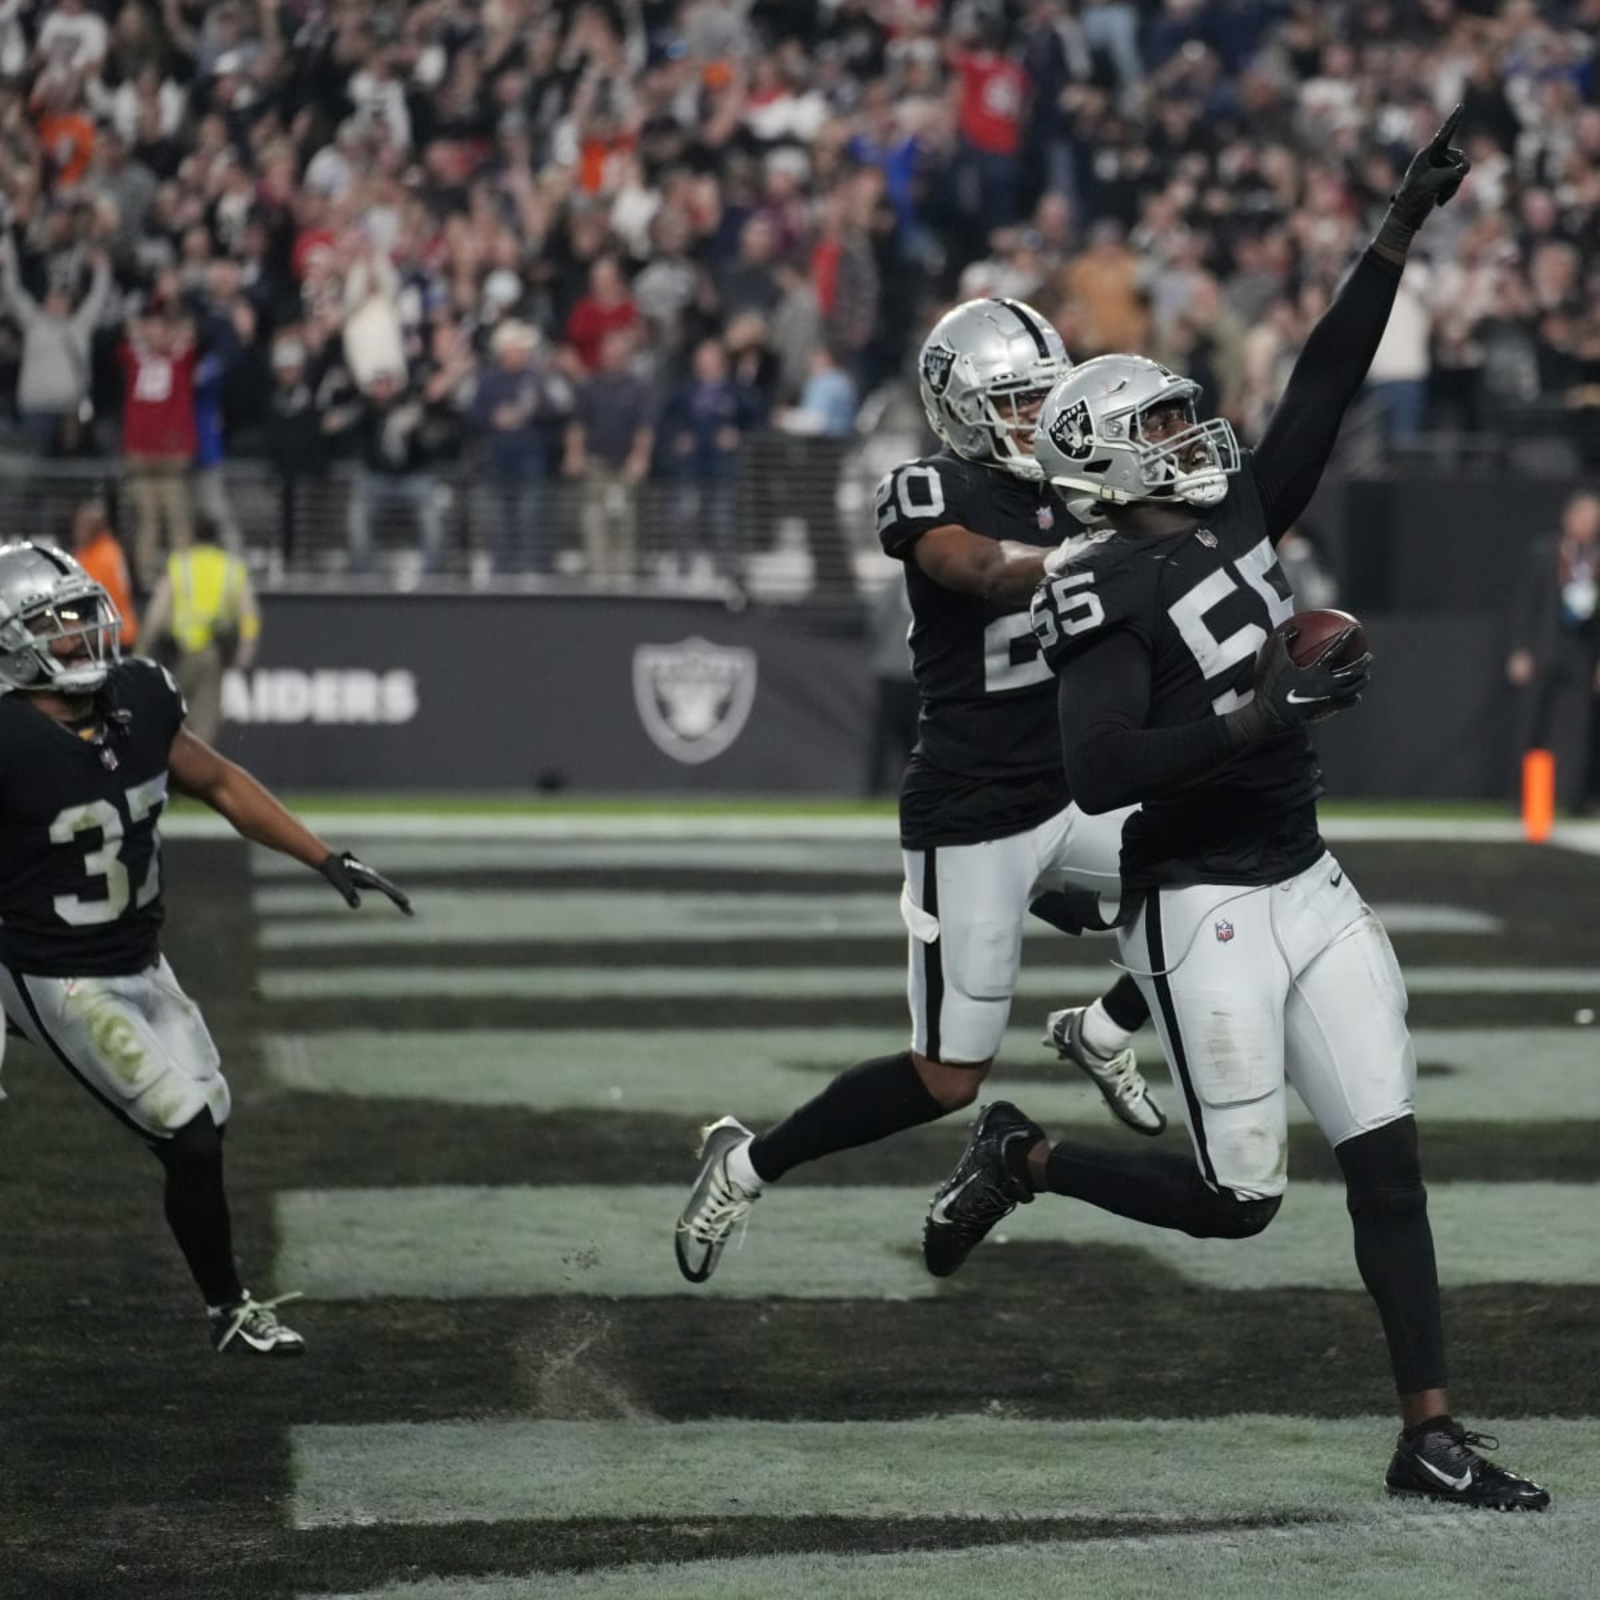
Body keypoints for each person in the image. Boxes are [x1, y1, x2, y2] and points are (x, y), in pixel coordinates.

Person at [926, 112, 1550, 1511]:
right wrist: (1270, 714)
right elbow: (1101, 772)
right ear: (1102, 458)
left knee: (1388, 1158)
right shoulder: (1096, 588)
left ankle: (1428, 1431)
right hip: (1197, 898)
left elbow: (1326, 377)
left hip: (1306, 876)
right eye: (1154, 423)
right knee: (1240, 1200)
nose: (1187, 432)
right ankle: (1023, 1152)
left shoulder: (1239, 512)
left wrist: (1399, 224)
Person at [675, 297, 1166, 1287]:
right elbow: (978, 570)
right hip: (972, 809)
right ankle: (745, 1163)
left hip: (1070, 790)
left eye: (1046, 399)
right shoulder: (927, 487)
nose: (1040, 419)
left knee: (1214, 865)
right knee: (947, 1076)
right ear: (964, 411)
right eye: (1019, 403)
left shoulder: (1086, 487)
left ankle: (1105, 1028)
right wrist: (1101, 559)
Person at [0, 541, 411, 1355]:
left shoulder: (140, 696)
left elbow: (219, 781)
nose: (84, 634)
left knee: (207, 1125)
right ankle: (230, 1310)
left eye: (85, 616)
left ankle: (225, 1305)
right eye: (60, 623)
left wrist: (323, 855)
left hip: (140, 961)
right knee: (185, 1129)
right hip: (53, 972)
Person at [1506, 489, 1600, 814]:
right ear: (1568, 518)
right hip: (1544, 648)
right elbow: (1525, 603)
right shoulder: (1545, 553)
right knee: (1532, 726)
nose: (1589, 524)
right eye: (1584, 517)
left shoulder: (1595, 559)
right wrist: (1520, 648)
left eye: (1594, 519)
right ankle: (1524, 801)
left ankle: (1576, 799)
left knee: (1579, 729)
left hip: (1581, 653)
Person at [138, 514, 258, 744]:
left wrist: (144, 646)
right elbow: (249, 614)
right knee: (205, 724)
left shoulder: (180, 565)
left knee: (172, 718)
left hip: (179, 654)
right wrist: (246, 648)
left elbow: (158, 611)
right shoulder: (231, 567)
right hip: (212, 654)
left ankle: (174, 772)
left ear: (193, 535)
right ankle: (198, 774)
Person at [70, 500, 138, 649]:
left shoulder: (103, 555)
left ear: (97, 528)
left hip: (112, 634)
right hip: (109, 631)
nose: (78, 530)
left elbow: (82, 595)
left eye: (83, 526)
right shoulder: (96, 550)